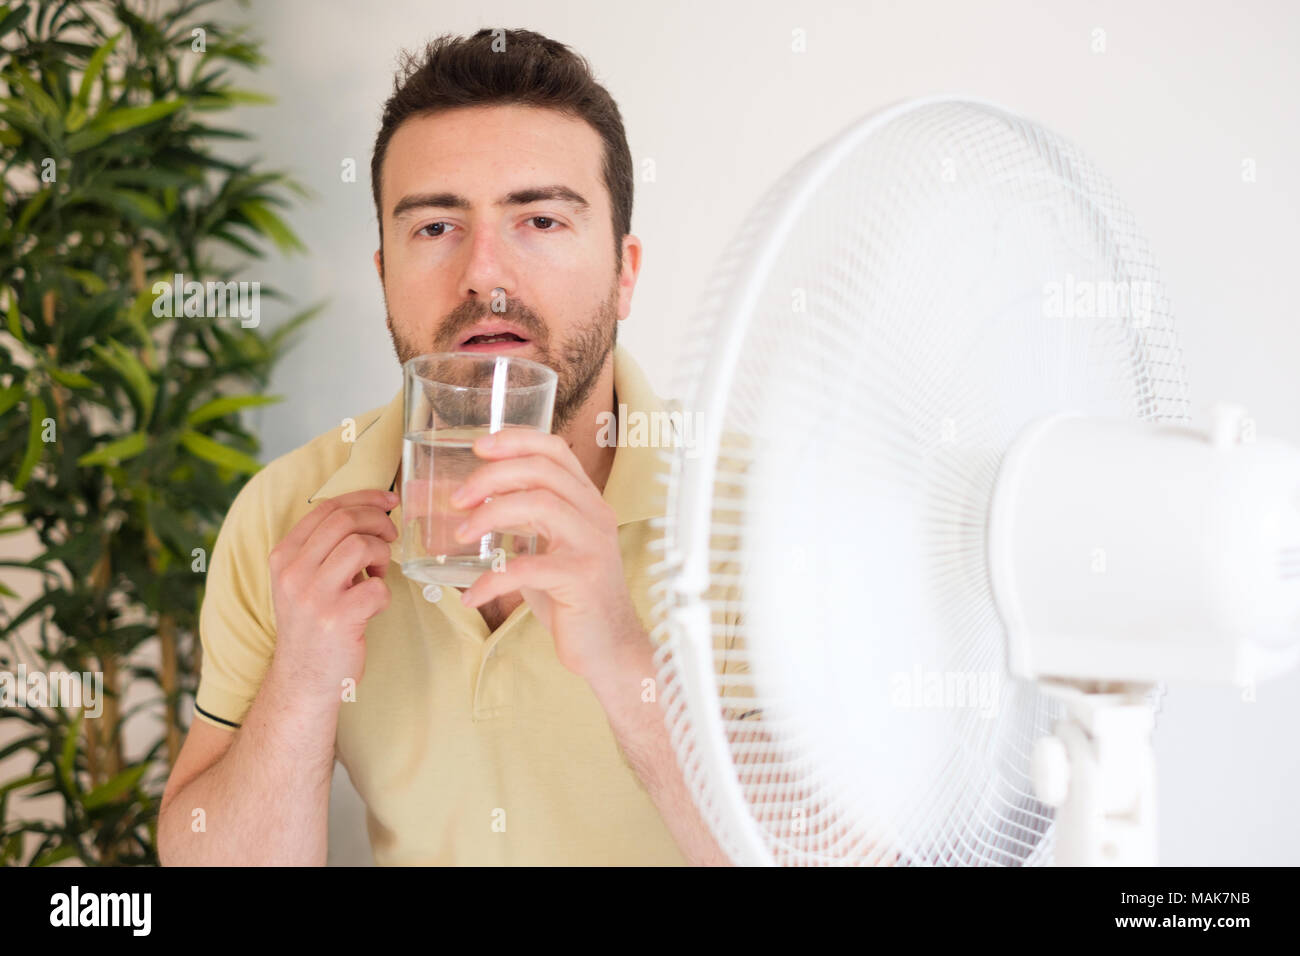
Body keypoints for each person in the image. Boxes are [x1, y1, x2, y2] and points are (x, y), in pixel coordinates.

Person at [157, 27, 736, 866]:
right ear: (383, 270)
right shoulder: (285, 517)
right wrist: (305, 681)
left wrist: (619, 652)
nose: (485, 275)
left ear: (625, 274)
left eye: (540, 219)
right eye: (435, 227)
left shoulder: (770, 512)